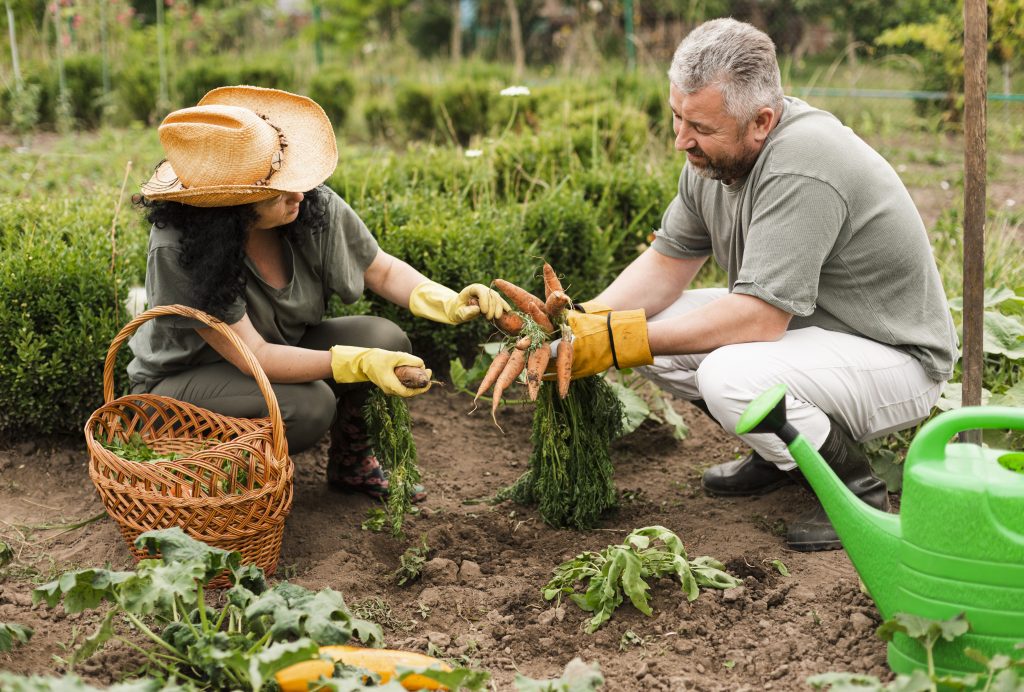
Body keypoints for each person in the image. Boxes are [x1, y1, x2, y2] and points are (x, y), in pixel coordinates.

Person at [555, 18, 958, 551]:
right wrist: (581, 321)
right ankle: (780, 456)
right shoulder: (712, 159)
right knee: (649, 329)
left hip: (892, 355)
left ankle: (855, 492)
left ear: (761, 121)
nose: (681, 140)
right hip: (811, 338)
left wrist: (617, 342)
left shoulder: (804, 163)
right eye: (677, 117)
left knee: (728, 372)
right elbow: (665, 264)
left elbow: (758, 319)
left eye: (699, 126)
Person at [129, 85, 509, 501]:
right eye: (274, 192)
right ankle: (219, 486)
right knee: (309, 406)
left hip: (274, 354)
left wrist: (449, 302)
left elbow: (379, 268)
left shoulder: (307, 204)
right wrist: (357, 363)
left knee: (384, 338)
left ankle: (351, 466)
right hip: (184, 386)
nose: (297, 193)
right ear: (230, 206)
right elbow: (255, 355)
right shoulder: (179, 246)